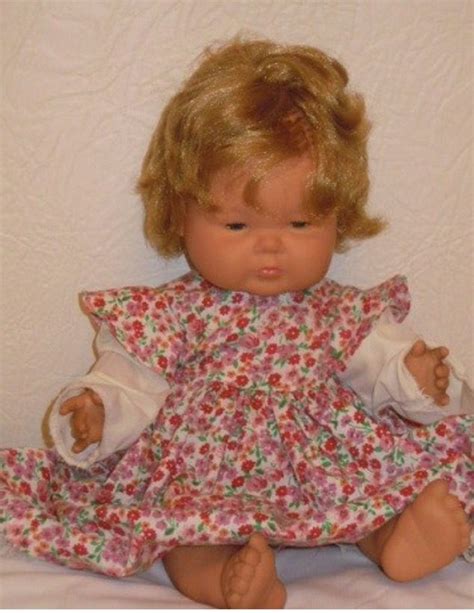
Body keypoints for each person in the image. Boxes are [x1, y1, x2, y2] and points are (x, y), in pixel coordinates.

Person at [0, 37, 472, 609]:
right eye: (237, 226)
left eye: (300, 223)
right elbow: (133, 380)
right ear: (181, 215)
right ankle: (228, 580)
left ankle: (391, 538)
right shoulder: (170, 314)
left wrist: (417, 376)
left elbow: (384, 370)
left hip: (321, 472)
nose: (270, 247)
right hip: (204, 478)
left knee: (378, 495)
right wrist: (99, 412)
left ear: (337, 218)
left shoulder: (341, 313)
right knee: (178, 536)